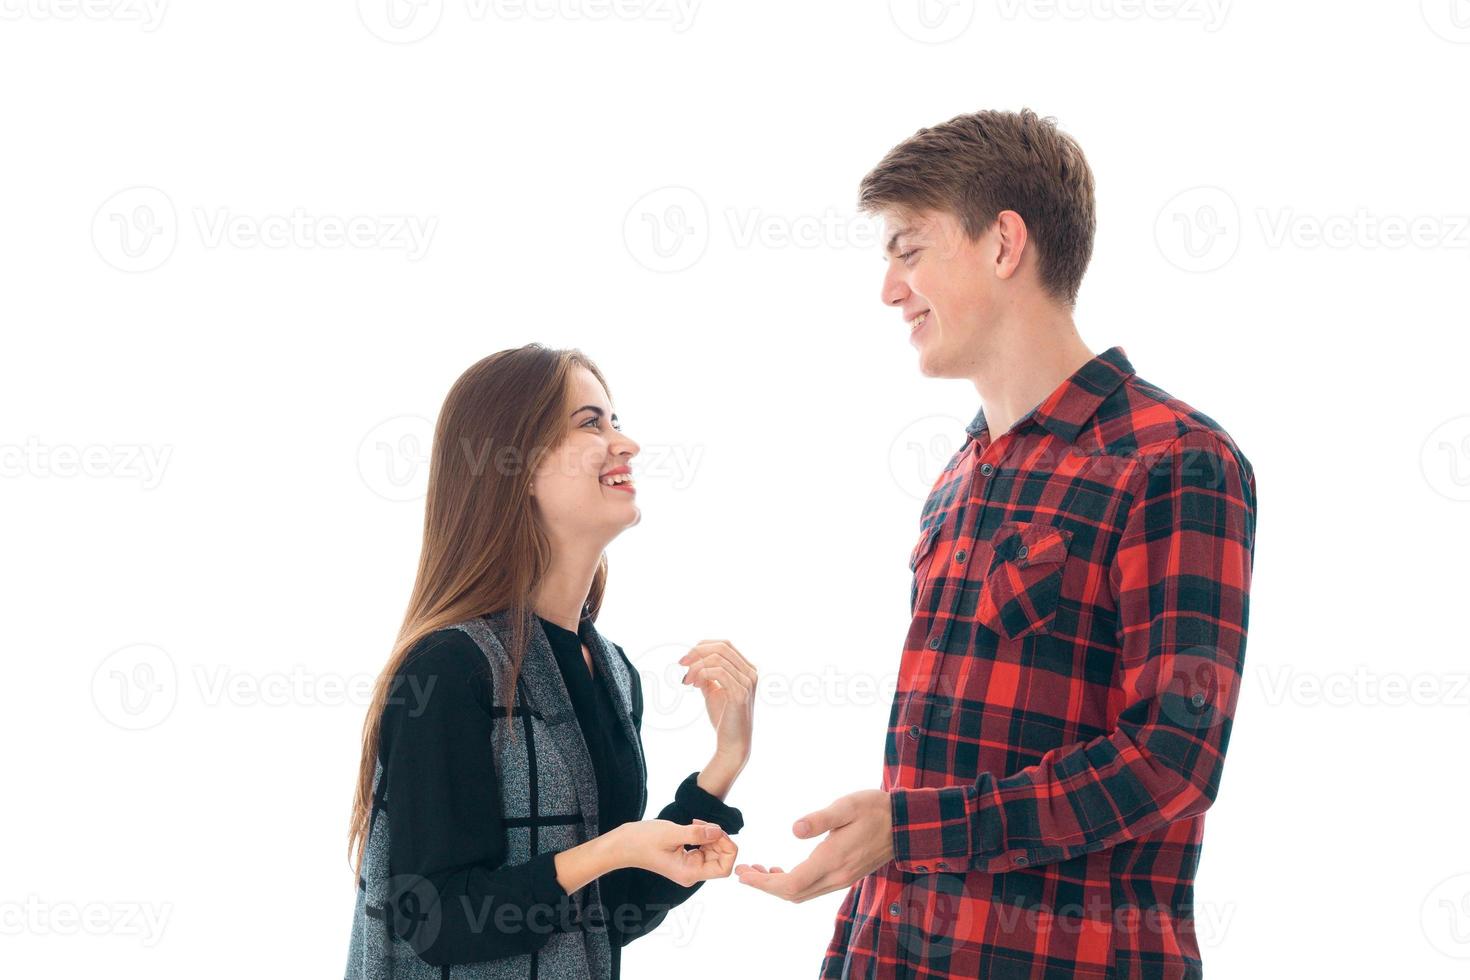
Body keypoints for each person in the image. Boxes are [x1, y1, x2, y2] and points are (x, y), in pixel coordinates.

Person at [735, 109, 1258, 979]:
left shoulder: (1176, 461)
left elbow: (1172, 760)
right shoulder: (959, 477)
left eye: (909, 249)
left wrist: (909, 826)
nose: (889, 290)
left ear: (1004, 242)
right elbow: (936, 770)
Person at [345, 344, 758, 979]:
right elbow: (437, 921)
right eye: (591, 422)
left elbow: (607, 914)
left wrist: (722, 768)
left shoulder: (612, 672)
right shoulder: (446, 667)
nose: (626, 443)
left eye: (614, 419)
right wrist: (609, 850)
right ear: (512, 463)